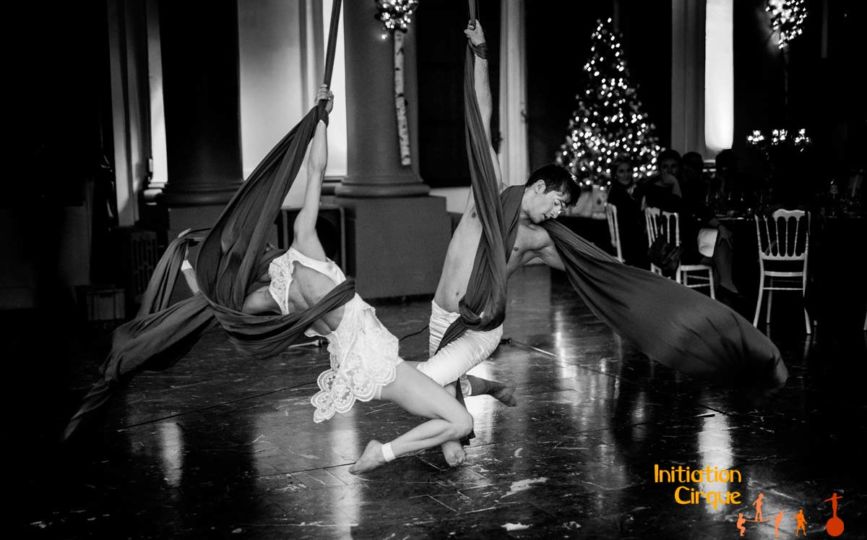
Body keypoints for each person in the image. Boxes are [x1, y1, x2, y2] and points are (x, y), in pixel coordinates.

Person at [242, 86, 473, 474]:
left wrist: (191, 275)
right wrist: (322, 119)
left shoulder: (268, 298)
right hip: (379, 365)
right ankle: (382, 452)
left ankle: (453, 429)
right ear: (266, 247)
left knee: (445, 381)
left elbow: (229, 316)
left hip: (365, 365)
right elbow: (315, 171)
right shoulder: (303, 243)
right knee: (462, 421)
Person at [410, 20, 581, 466]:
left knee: (421, 391)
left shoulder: (537, 239)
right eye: (558, 203)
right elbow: (481, 120)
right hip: (441, 316)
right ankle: (486, 388)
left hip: (480, 326)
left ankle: (409, 427)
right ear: (539, 186)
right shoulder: (488, 195)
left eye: (564, 211)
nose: (558, 214)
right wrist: (482, 55)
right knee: (448, 435)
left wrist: (628, 278)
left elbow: (586, 270)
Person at [605, 157, 648, 267]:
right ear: (616, 174)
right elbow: (630, 214)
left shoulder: (634, 189)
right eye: (621, 171)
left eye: (628, 170)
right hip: (626, 237)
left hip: (631, 232)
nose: (626, 174)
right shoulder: (616, 191)